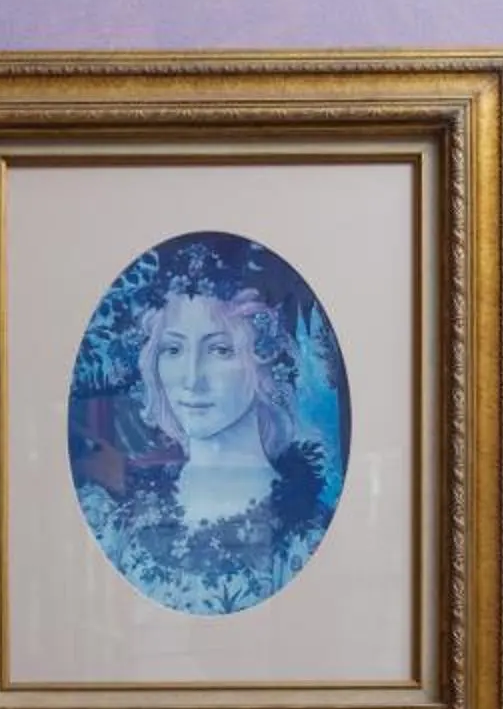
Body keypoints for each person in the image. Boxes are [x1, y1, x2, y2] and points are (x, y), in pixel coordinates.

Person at [69, 236, 343, 616]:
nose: (191, 378)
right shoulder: (117, 515)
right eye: (173, 349)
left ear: (264, 361)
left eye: (220, 349)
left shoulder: (308, 535)